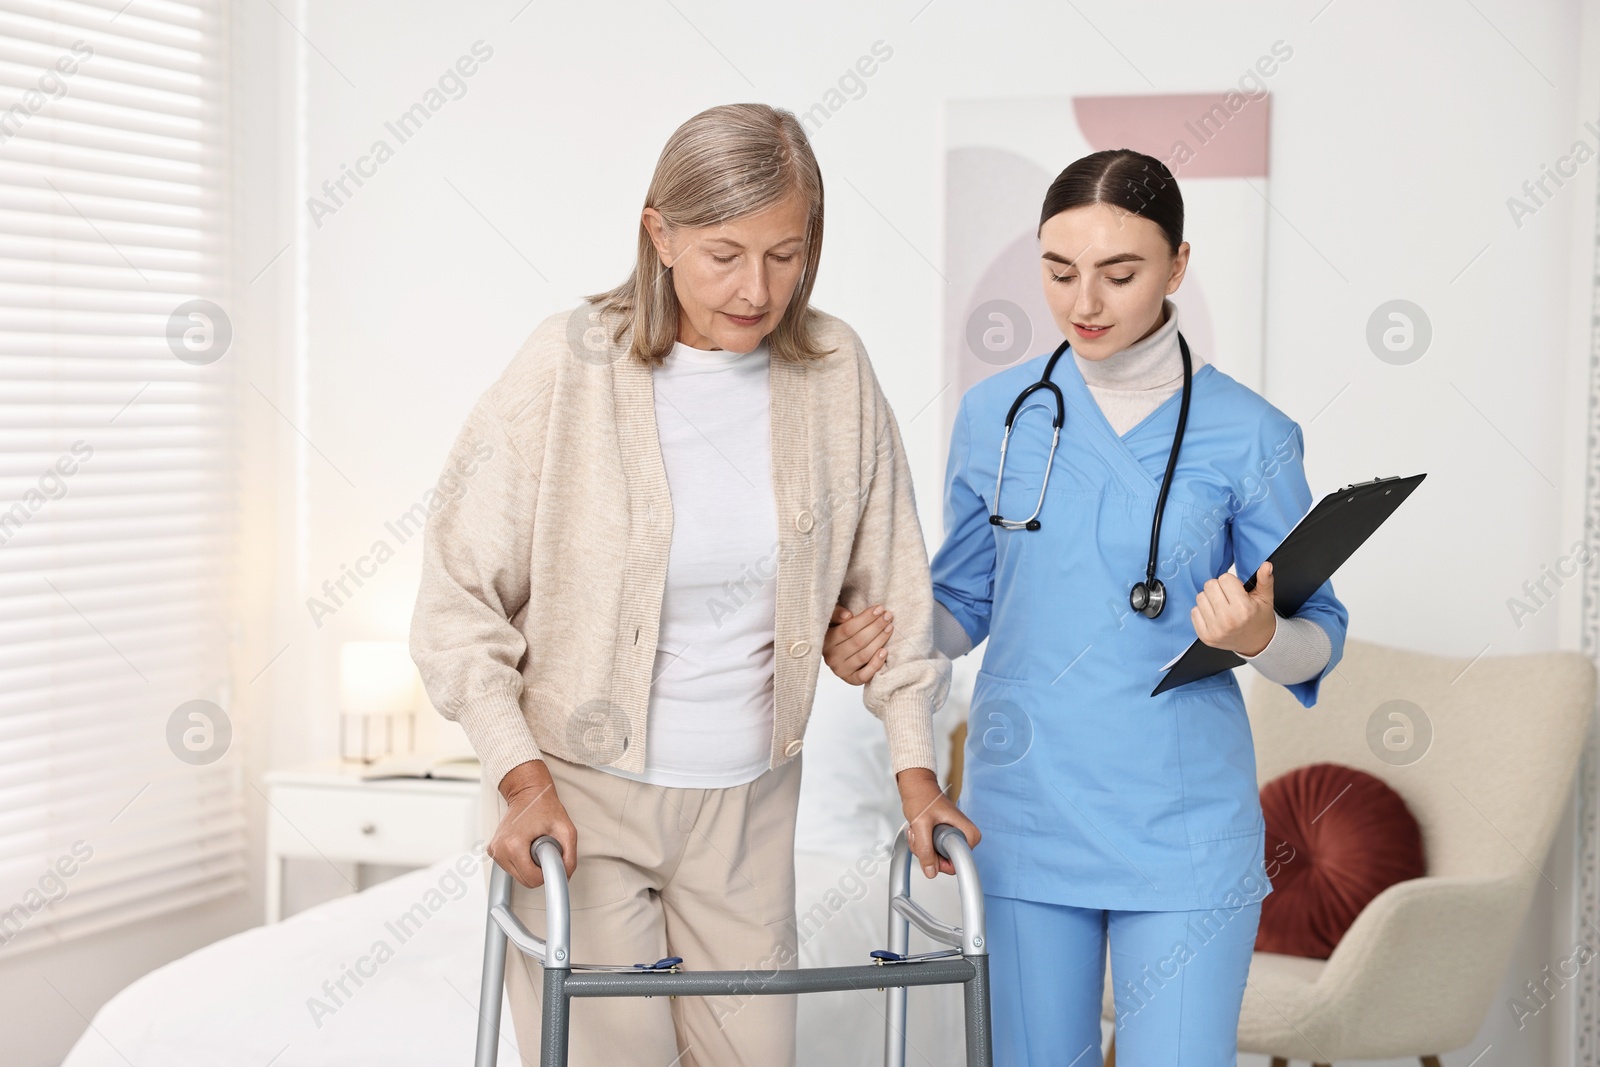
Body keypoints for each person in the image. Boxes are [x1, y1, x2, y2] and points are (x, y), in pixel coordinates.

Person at [408, 102, 977, 1067]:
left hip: (751, 809)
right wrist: (519, 774)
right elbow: (457, 594)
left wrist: (916, 774)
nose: (757, 289)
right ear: (659, 233)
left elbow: (894, 592)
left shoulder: (836, 370)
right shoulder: (568, 363)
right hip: (580, 798)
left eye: (785, 254)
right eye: (724, 253)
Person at [823, 148, 1348, 1066]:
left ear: (1178, 267)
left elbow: (1319, 641)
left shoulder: (1252, 434)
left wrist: (1262, 633)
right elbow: (962, 601)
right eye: (1060, 272)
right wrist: (879, 638)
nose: (1085, 303)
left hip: (1180, 824)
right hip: (1026, 811)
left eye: (1121, 273)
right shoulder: (999, 414)